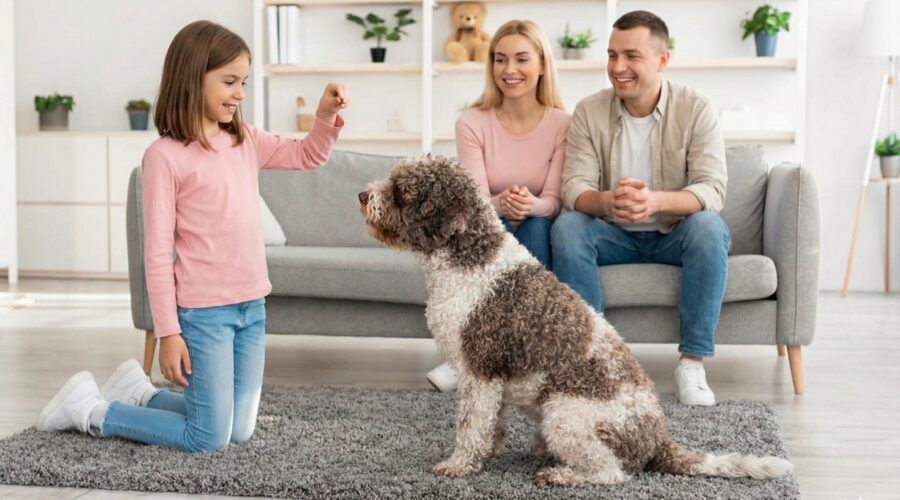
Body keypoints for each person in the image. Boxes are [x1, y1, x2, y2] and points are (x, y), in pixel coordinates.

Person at [35, 20, 350, 451]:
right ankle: (91, 411)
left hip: (251, 307)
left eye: (243, 82)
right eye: (229, 81)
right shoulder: (163, 158)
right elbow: (157, 253)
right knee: (207, 438)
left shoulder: (245, 140)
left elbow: (308, 154)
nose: (240, 93)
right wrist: (168, 332)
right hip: (204, 316)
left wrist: (325, 117)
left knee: (238, 431)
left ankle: (140, 393)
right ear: (192, 78)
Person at [551, 10, 729, 406]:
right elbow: (574, 188)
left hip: (672, 234)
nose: (618, 67)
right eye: (612, 55)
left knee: (709, 227)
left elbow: (712, 187)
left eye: (631, 56)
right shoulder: (588, 110)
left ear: (662, 60)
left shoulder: (696, 109)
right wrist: (607, 201)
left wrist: (654, 201)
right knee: (567, 227)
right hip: (613, 235)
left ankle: (692, 364)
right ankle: (592, 361)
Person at [426, 19, 570, 392]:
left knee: (536, 228)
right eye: (500, 60)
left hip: (538, 227)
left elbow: (554, 202)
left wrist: (531, 205)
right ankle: (472, 355)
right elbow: (475, 202)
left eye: (522, 59)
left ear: (541, 64)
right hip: (489, 227)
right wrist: (500, 203)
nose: (509, 70)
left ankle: (500, 354)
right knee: (491, 230)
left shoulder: (563, 124)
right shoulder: (472, 122)